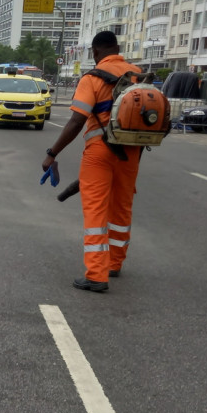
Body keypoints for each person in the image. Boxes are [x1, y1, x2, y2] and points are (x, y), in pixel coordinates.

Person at [41, 30, 143, 293]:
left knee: (96, 210)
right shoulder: (137, 74)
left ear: (96, 52)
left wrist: (53, 153)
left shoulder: (92, 78)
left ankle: (97, 274)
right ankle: (114, 263)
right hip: (131, 150)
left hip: (100, 151)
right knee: (122, 206)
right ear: (117, 48)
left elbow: (77, 120)